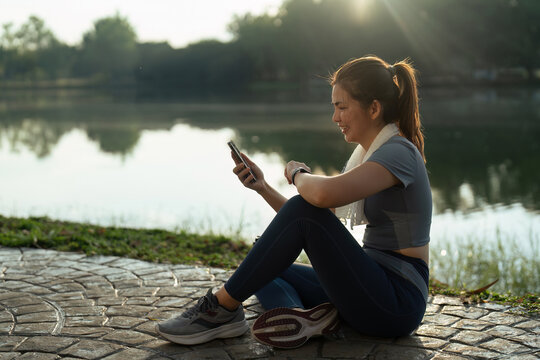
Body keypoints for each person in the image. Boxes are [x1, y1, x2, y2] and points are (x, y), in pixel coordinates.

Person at [155, 55, 432, 349]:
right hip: (369, 285)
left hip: (397, 302)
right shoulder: (372, 156)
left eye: (342, 107)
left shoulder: (398, 152)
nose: (335, 117)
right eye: (334, 108)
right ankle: (302, 319)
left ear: (374, 108)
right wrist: (263, 188)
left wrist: (297, 172)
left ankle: (219, 308)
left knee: (288, 227)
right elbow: (312, 219)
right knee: (264, 261)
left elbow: (318, 199)